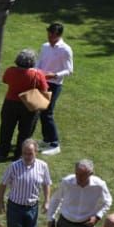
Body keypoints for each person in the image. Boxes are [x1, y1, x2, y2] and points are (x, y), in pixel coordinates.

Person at [0, 140, 52, 227]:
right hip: (15, 208)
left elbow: (46, 183)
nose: (27, 157)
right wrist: (0, 202)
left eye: (30, 154)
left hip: (32, 208)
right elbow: (3, 184)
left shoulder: (43, 166)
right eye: (24, 153)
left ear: (36, 153)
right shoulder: (14, 166)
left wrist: (47, 200)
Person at [0, 48, 50, 160]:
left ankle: (2, 152)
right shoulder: (38, 75)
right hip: (29, 106)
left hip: (10, 103)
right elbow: (44, 89)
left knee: (6, 129)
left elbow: (5, 80)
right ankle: (19, 154)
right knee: (25, 132)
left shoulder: (10, 71)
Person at [36, 21, 73, 154]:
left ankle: (55, 143)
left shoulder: (65, 49)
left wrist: (55, 75)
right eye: (49, 35)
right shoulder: (45, 46)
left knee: (48, 113)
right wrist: (35, 73)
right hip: (42, 82)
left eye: (52, 36)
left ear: (59, 35)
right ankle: (47, 140)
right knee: (41, 112)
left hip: (55, 84)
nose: (50, 38)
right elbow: (39, 62)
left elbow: (69, 70)